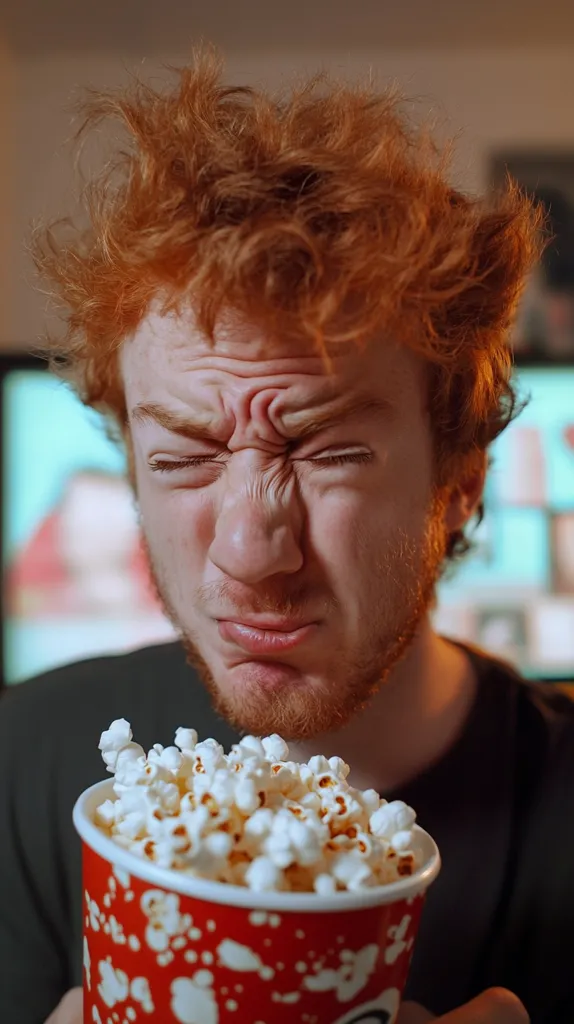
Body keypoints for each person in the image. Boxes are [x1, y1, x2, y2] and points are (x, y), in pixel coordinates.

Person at [1, 49, 572, 1024]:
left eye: (328, 452)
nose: (249, 555)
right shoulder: (18, 765)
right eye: (182, 456)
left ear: (459, 482)